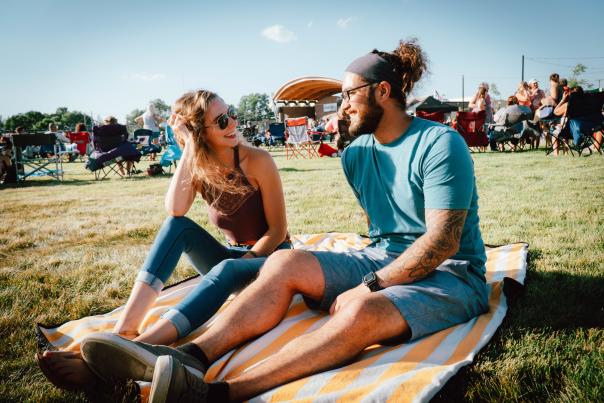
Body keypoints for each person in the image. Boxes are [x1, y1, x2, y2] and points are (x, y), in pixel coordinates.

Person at [78, 39, 489, 403]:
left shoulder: (440, 143)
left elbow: (442, 242)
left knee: (360, 313)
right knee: (283, 262)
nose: (342, 105)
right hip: (382, 256)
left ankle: (218, 394)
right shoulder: (356, 154)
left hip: (451, 275)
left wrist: (370, 286)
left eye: (349, 95)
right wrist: (369, 272)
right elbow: (384, 231)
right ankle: (187, 357)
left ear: (382, 92)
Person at [36, 89, 290, 392]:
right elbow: (175, 209)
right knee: (176, 226)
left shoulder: (257, 160)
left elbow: (277, 232)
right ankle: (125, 331)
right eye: (222, 120)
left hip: (270, 260)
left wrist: (243, 262)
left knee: (227, 269)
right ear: (198, 132)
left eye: (231, 114)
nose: (233, 123)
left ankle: (129, 351)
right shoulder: (198, 164)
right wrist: (190, 149)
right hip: (231, 257)